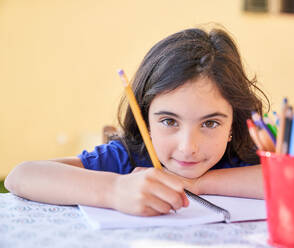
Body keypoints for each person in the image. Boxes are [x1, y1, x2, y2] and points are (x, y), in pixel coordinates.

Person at [5, 27, 269, 217]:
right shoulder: (128, 158)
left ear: (233, 125)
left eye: (210, 124)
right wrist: (114, 189)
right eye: (169, 121)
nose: (188, 147)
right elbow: (22, 176)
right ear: (145, 119)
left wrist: (197, 184)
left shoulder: (244, 154)